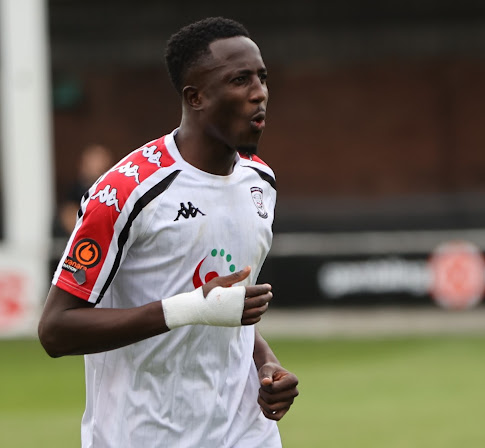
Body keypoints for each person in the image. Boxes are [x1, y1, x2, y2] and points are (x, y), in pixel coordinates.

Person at [38, 17, 299, 448]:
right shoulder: (125, 192)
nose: (259, 93)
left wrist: (266, 363)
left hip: (245, 434)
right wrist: (189, 308)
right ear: (195, 97)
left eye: (262, 77)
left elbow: (225, 311)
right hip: (144, 435)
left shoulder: (260, 181)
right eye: (240, 80)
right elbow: (55, 330)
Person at [58, 144, 115, 234]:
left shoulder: (114, 191)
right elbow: (69, 219)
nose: (97, 166)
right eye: (93, 161)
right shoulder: (74, 192)